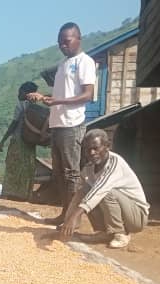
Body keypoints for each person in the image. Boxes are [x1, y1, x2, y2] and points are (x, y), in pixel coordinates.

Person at [27, 22, 96, 225]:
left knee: (71, 173)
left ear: (78, 39)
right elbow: (61, 95)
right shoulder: (63, 65)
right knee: (59, 173)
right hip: (57, 124)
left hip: (72, 125)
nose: (62, 45)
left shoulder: (85, 62)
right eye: (60, 42)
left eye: (66, 41)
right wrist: (43, 97)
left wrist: (57, 101)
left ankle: (73, 219)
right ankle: (65, 213)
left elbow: (88, 95)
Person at [60, 129, 149, 249]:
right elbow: (79, 195)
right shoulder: (89, 168)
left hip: (136, 216)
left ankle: (120, 233)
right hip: (119, 208)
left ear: (107, 146)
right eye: (88, 149)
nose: (92, 153)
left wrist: (74, 216)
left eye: (96, 148)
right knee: (85, 191)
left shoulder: (115, 163)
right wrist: (68, 221)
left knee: (105, 193)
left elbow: (100, 190)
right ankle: (105, 233)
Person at [0, 82, 41, 201]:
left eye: (20, 92)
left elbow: (14, 124)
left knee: (13, 166)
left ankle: (9, 193)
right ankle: (25, 194)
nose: (18, 95)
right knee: (27, 168)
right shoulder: (36, 106)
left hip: (18, 140)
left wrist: (3, 140)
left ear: (27, 93)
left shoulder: (21, 105)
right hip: (30, 143)